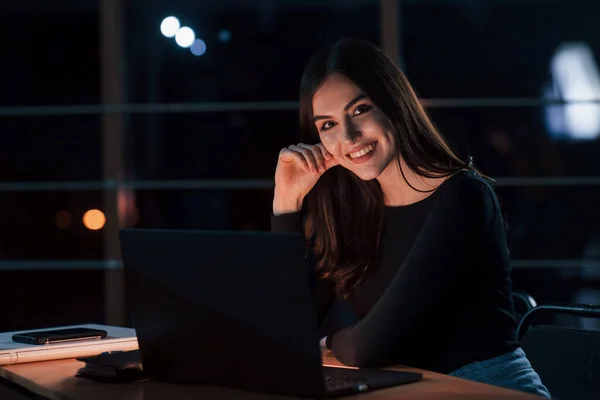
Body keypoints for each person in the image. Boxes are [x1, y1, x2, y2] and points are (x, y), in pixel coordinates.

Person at [270, 39, 551, 398]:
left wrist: (328, 341)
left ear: (394, 104)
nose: (348, 137)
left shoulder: (463, 197)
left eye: (360, 110)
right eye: (327, 125)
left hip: (488, 386)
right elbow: (285, 327)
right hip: (408, 387)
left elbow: (366, 349)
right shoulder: (353, 209)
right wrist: (286, 203)